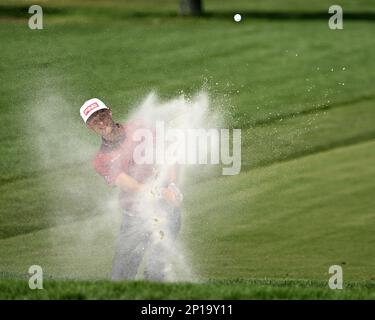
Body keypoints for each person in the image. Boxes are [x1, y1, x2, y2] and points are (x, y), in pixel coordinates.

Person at [80, 98, 183, 281]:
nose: (101, 122)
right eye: (95, 121)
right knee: (120, 278)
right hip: (133, 220)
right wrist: (162, 191)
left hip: (166, 214)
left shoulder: (140, 128)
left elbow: (168, 152)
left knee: (156, 273)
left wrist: (172, 184)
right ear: (90, 127)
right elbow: (134, 187)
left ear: (109, 112)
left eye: (102, 115)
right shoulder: (102, 160)